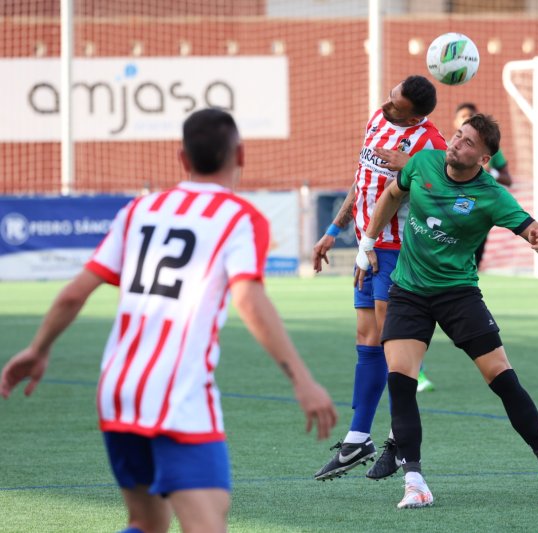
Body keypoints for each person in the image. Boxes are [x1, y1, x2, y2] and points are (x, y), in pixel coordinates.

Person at [0, 108, 338, 533]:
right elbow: (249, 300)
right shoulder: (239, 217)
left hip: (118, 390)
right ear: (242, 155)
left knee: (145, 523)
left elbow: (72, 294)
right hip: (178, 396)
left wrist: (38, 349)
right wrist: (302, 380)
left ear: (182, 158)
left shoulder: (139, 210)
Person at [355, 114, 538, 509]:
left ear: (483, 159)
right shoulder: (424, 162)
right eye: (457, 135)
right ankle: (414, 482)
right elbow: (393, 195)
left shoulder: (491, 194)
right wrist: (367, 242)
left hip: (458, 294)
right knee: (400, 380)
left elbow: (535, 234)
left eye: (467, 143)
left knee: (503, 379)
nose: (455, 144)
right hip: (409, 292)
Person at [311, 75, 447, 481]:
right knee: (367, 340)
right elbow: (362, 181)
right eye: (390, 97)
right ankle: (357, 438)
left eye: (396, 105)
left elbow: (436, 194)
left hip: (399, 253)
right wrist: (334, 231)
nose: (387, 105)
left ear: (417, 115)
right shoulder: (376, 119)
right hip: (365, 248)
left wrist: (370, 243)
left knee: (395, 350)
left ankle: (399, 443)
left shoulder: (432, 146)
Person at [453, 102, 513, 269]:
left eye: (471, 116)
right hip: (457, 200)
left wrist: (490, 172)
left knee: (474, 260)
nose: (467, 120)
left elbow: (508, 179)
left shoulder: (489, 149)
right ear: (456, 122)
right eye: (463, 117)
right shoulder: (451, 146)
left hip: (481, 203)